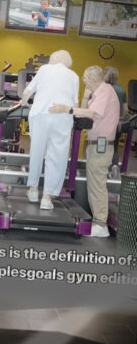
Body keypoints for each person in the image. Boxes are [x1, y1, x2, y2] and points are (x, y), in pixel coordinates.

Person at [49, 66, 119, 237]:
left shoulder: (105, 91)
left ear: (93, 78)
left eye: (85, 77)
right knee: (94, 183)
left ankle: (100, 224)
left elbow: (93, 113)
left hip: (101, 144)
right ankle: (99, 221)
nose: (83, 79)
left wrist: (68, 109)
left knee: (97, 185)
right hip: (97, 143)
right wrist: (87, 95)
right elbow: (84, 114)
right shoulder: (98, 93)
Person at [20, 50, 79, 210]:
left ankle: (32, 190)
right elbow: (74, 103)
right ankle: (47, 197)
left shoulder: (44, 69)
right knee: (57, 156)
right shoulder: (73, 76)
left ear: (53, 59)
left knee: (37, 151)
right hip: (62, 117)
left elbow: (27, 92)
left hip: (41, 114)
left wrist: (24, 103)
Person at [103, 66, 127, 170]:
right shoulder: (121, 89)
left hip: (105, 123)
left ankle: (102, 168)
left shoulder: (104, 88)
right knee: (114, 146)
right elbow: (125, 109)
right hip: (117, 123)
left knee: (102, 145)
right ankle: (113, 168)